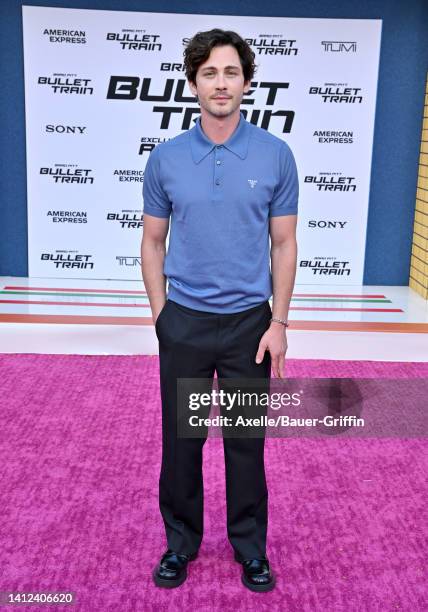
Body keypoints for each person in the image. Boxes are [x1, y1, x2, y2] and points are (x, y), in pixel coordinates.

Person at [141, 28, 298, 593]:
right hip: (184, 320)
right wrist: (163, 316)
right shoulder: (166, 158)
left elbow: (283, 244)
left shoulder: (275, 155)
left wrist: (278, 323)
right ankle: (179, 544)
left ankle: (250, 548)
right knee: (181, 443)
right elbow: (153, 241)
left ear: (247, 82)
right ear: (193, 84)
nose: (221, 83)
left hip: (249, 328)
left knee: (244, 443)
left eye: (231, 72)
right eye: (209, 73)